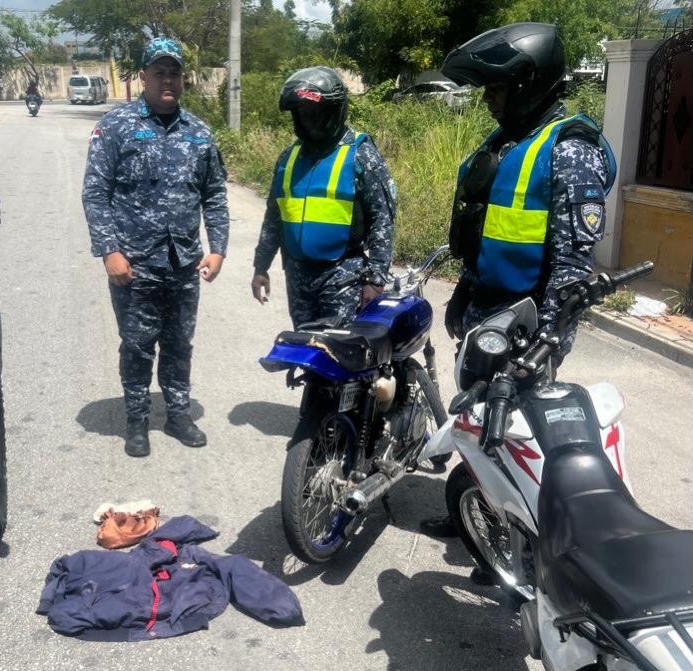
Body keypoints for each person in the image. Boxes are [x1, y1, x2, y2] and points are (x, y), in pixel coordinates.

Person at [420, 22, 616, 543]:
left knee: (515, 427)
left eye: (497, 88)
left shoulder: (570, 149)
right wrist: (464, 290)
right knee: (478, 418)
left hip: (530, 323)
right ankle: (476, 512)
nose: (488, 100)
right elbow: (484, 228)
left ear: (529, 83)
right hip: (487, 308)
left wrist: (544, 343)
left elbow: (572, 267)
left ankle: (521, 542)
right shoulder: (508, 142)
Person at [83, 37, 229, 458]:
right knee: (136, 344)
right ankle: (137, 420)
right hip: (133, 262)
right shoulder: (116, 127)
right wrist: (109, 251)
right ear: (143, 77)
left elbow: (215, 195)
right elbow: (95, 194)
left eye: (175, 73)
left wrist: (217, 248)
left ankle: (179, 415)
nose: (168, 80)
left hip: (183, 261)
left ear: (183, 79)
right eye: (159, 72)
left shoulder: (199, 133)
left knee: (180, 342)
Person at [251, 66, 396, 329]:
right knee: (305, 353)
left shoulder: (360, 155)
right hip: (298, 277)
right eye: (303, 113)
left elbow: (382, 220)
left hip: (342, 277)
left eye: (316, 113)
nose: (310, 120)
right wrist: (260, 266)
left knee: (339, 357)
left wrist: (376, 279)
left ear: (334, 111)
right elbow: (274, 218)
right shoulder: (289, 158)